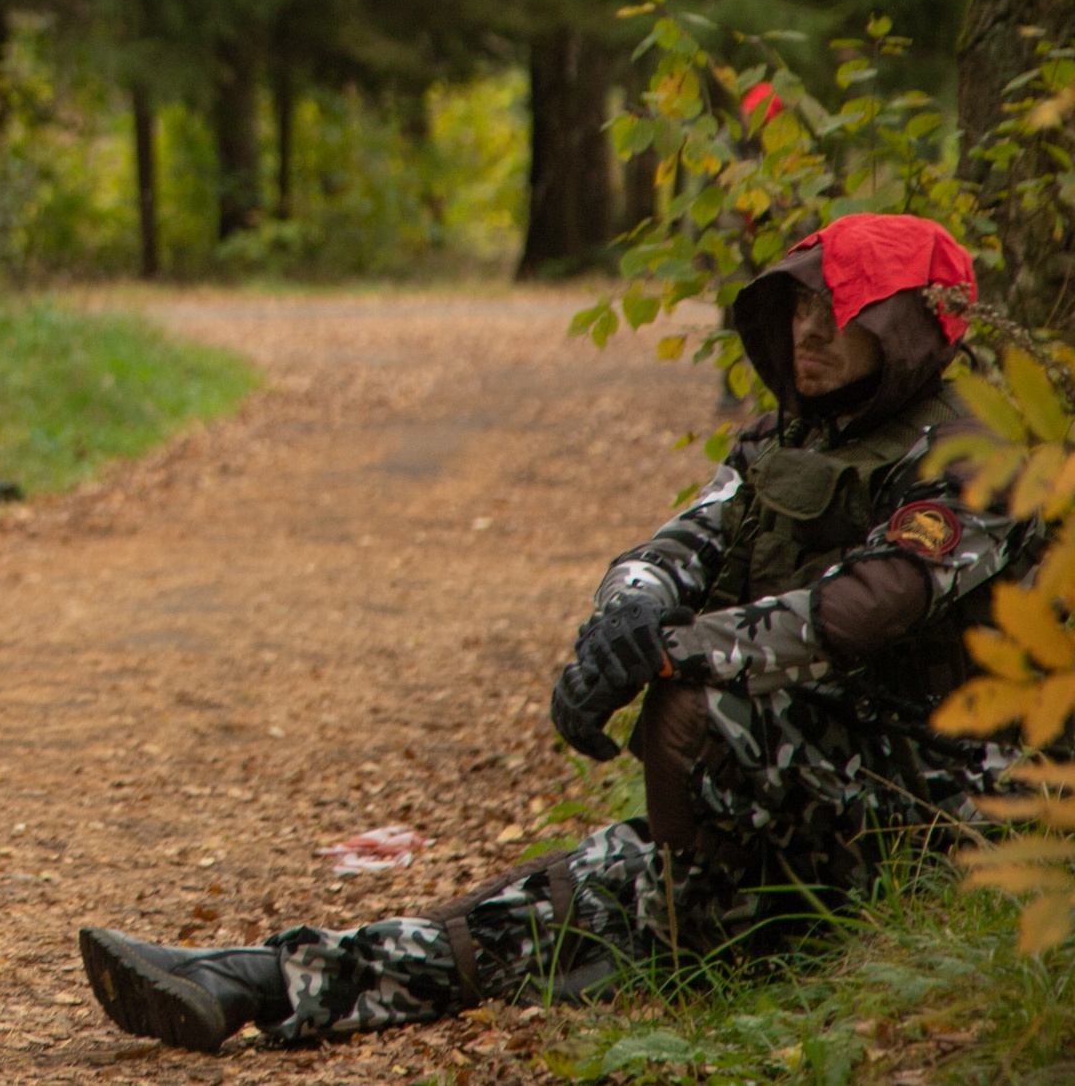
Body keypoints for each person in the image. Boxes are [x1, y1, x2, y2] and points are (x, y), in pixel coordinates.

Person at [77, 213, 1040, 1050]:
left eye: (837, 316)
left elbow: (866, 606)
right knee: (553, 907)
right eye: (794, 312)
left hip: (952, 799)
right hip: (805, 787)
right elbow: (677, 544)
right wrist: (622, 617)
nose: (806, 334)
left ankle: (700, 911)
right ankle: (245, 982)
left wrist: (670, 651)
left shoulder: (979, 454)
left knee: (692, 726)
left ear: (906, 331)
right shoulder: (794, 436)